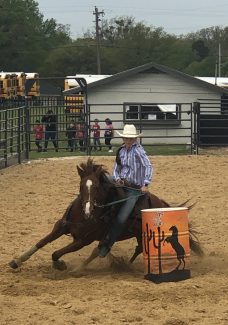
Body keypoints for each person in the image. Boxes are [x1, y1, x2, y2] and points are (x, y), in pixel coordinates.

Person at [99, 124, 153, 258]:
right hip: (121, 182)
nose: (128, 140)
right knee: (101, 180)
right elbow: (115, 168)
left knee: (122, 218)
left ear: (135, 139)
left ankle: (108, 244)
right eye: (126, 138)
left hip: (133, 189)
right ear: (123, 138)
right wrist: (117, 179)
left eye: (131, 138)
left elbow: (148, 166)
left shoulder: (139, 151)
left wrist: (145, 184)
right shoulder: (121, 151)